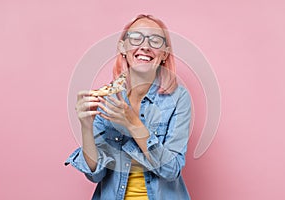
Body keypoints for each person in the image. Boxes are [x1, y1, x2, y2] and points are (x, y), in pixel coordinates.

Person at [65, 14, 192, 200]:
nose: (145, 46)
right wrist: (86, 126)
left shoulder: (178, 98)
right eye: (135, 38)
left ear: (164, 53)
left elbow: (171, 169)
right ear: (123, 47)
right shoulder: (108, 98)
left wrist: (133, 124)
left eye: (155, 40)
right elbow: (95, 174)